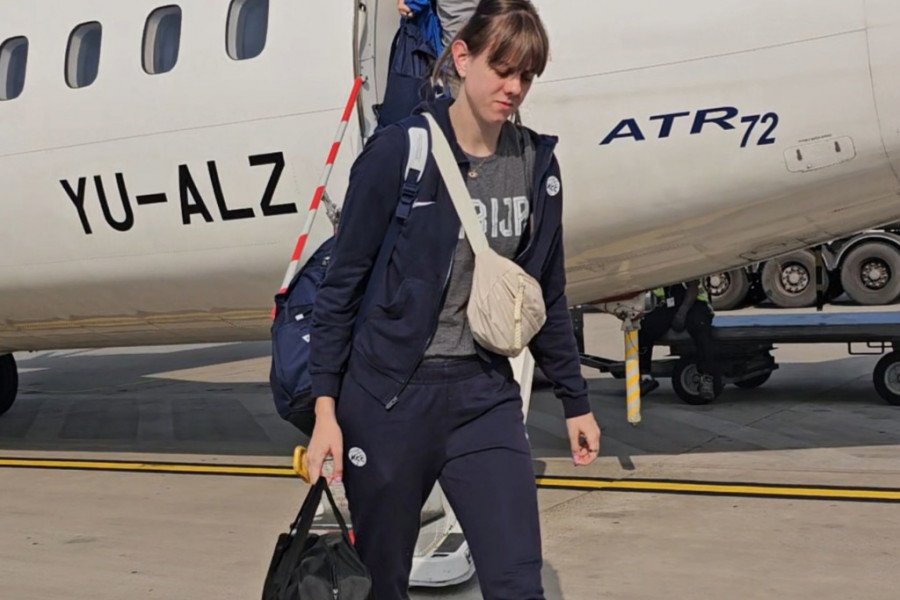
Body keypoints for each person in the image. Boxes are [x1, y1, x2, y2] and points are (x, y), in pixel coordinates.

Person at [306, 1, 601, 598]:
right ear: (462, 59)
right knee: (382, 584)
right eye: (502, 69)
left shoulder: (535, 165)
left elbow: (546, 294)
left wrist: (576, 401)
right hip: (389, 400)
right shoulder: (398, 153)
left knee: (518, 581)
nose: (514, 88)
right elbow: (341, 289)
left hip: (483, 396)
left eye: (526, 75)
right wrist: (325, 412)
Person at [638, 280, 717, 400]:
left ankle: (706, 377)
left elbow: (693, 287)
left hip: (694, 303)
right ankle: (645, 377)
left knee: (700, 328)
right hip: (670, 303)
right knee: (644, 328)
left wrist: (682, 313)